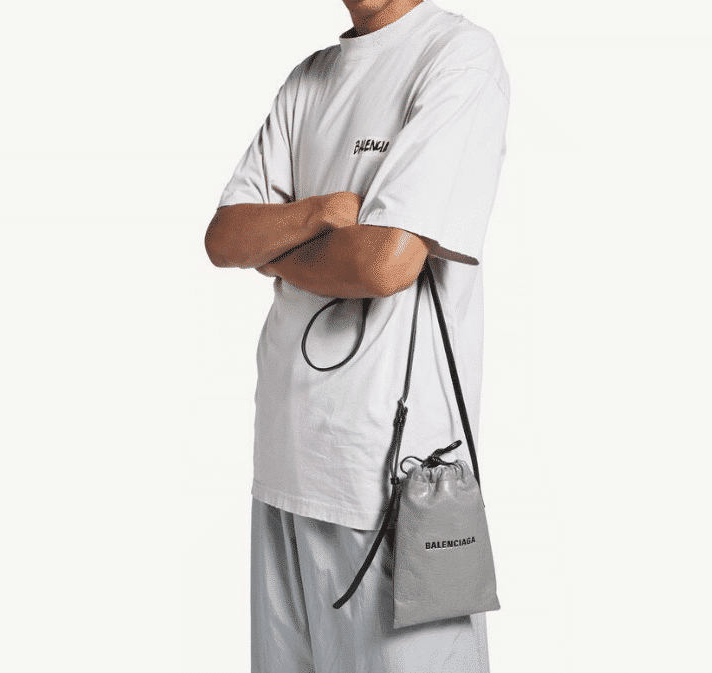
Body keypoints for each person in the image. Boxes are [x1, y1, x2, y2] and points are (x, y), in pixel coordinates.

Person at [204, 0, 509, 670]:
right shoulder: (309, 79)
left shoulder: (456, 57)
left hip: (397, 485)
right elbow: (224, 237)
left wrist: (274, 250)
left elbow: (384, 264)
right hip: (284, 464)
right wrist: (320, 212)